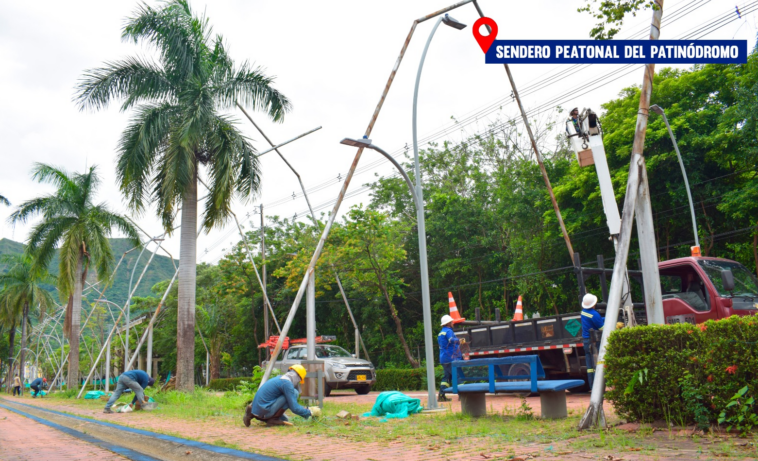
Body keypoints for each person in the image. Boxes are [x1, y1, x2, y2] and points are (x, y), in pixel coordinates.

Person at [243, 365, 321, 427]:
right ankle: (273, 419)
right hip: (265, 412)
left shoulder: (280, 379)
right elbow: (294, 408)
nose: (298, 382)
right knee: (294, 393)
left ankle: (251, 413)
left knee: (286, 419)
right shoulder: (287, 384)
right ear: (297, 377)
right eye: (299, 380)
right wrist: (310, 412)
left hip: (256, 409)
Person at [581, 293, 604, 390]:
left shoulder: (583, 312)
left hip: (586, 341)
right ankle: (599, 389)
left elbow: (595, 320)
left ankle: (593, 387)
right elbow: (602, 327)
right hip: (594, 342)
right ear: (593, 304)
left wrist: (602, 318)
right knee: (597, 365)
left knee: (590, 367)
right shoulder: (594, 314)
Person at [437, 314, 462, 402]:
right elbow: (451, 340)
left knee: (446, 378)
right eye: (451, 322)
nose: (453, 323)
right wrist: (459, 340)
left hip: (444, 358)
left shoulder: (441, 333)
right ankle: (463, 395)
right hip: (451, 358)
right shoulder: (448, 331)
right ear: (448, 323)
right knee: (458, 376)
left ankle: (441, 395)